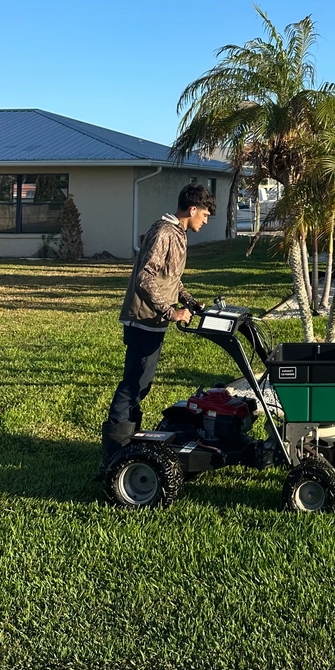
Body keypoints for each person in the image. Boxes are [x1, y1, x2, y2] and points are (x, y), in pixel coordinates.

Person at [97, 182, 217, 475]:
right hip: (144, 319)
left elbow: (170, 279)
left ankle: (128, 443)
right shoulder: (165, 233)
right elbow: (145, 277)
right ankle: (113, 455)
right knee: (133, 385)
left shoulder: (177, 233)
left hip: (153, 321)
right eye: (205, 214)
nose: (206, 220)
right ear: (192, 209)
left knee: (141, 383)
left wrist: (191, 301)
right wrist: (170, 311)